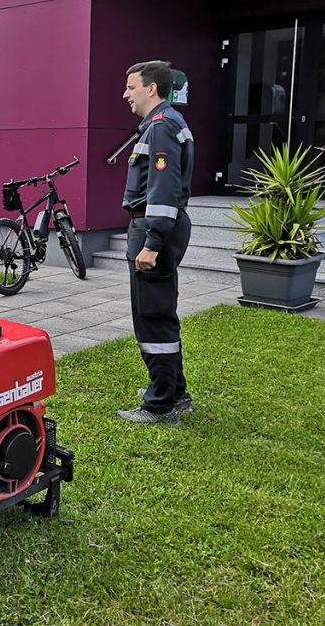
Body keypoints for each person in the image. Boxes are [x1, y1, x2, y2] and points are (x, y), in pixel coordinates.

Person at [118, 61, 195, 424]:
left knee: (151, 316)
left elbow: (163, 190)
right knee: (162, 310)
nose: (125, 95)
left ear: (151, 89)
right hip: (160, 228)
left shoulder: (161, 128)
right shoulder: (165, 124)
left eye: (131, 87)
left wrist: (152, 243)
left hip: (154, 229)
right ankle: (174, 390)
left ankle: (160, 404)